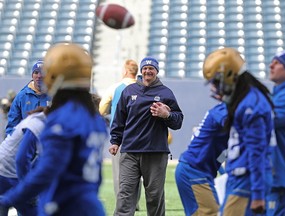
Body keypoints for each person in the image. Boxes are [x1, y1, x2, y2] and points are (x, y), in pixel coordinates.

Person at [0, 43, 108, 216]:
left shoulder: (62, 119)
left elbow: (48, 169)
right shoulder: (94, 118)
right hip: (91, 205)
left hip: (64, 205)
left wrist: (8, 199)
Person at [202, 47, 274, 215]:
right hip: (240, 178)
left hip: (246, 179)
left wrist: (257, 193)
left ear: (229, 76)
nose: (214, 87)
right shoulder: (245, 100)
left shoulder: (250, 104)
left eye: (216, 81)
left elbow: (256, 150)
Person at [109, 56, 184, 216]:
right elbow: (119, 119)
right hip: (130, 152)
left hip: (155, 152)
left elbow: (178, 122)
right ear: (141, 71)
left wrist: (166, 115)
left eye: (151, 68)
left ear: (156, 71)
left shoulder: (166, 93)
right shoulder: (128, 91)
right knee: (125, 195)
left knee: (155, 197)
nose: (148, 71)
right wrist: (115, 141)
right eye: (145, 68)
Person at [99, 59, 142, 209]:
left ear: (124, 71)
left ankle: (122, 203)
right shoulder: (142, 87)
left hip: (120, 137)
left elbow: (101, 109)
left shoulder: (115, 88)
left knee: (119, 172)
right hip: (140, 136)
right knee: (138, 171)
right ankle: (135, 203)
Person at [175, 99, 229, 215]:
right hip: (194, 170)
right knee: (213, 212)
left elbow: (220, 156)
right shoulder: (224, 111)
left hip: (195, 169)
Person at [0, 106, 47, 216]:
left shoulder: (39, 119)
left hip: (8, 170)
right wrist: (28, 187)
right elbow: (21, 160)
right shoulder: (38, 125)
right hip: (7, 172)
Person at [266, 50, 285, 215]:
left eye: (277, 62)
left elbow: (264, 121)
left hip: (282, 180)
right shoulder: (278, 94)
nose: (271, 65)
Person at [5, 59, 50, 135]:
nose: (39, 76)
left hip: (48, 143)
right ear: (32, 75)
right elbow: (12, 126)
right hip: (27, 143)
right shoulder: (22, 96)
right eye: (36, 72)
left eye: (42, 73)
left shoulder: (54, 95)